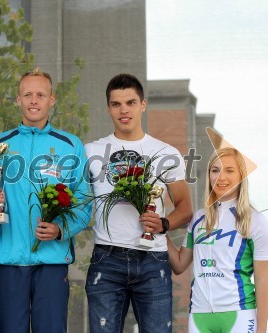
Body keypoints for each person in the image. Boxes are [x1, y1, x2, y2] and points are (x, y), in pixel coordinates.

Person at [84, 73, 193, 333]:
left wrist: (163, 223)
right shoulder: (90, 151)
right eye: (116, 104)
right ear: (108, 108)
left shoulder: (166, 153)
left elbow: (186, 209)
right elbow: (76, 200)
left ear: (143, 104)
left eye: (131, 102)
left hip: (153, 260)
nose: (124, 110)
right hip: (106, 258)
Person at [0, 68, 92, 333]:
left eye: (41, 95)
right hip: (9, 262)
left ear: (51, 100)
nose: (34, 100)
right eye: (28, 94)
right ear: (18, 99)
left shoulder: (71, 145)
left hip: (52, 263)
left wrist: (61, 230)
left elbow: (83, 200)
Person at [167, 147, 268, 333]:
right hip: (199, 314)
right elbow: (179, 264)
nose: (221, 177)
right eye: (215, 170)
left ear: (241, 176)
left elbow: (262, 279)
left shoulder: (254, 221)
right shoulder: (198, 219)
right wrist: (160, 230)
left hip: (239, 312)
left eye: (229, 170)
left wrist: (261, 329)